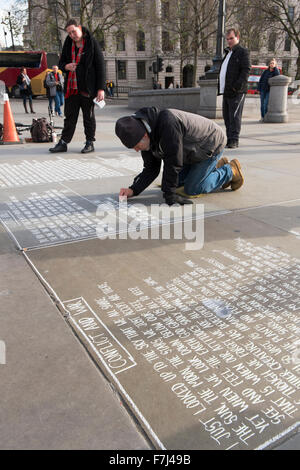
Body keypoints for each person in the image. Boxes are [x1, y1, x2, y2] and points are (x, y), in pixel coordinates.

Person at [115, 107, 244, 206]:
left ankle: (229, 170)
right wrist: (133, 190)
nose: (137, 150)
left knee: (192, 189)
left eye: (136, 146)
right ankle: (212, 167)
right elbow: (151, 168)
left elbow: (173, 162)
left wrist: (169, 196)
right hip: (190, 152)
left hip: (210, 145)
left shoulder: (167, 125)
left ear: (144, 136)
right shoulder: (144, 129)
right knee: (176, 184)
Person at [49, 19, 105, 154]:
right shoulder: (68, 44)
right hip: (72, 88)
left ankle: (90, 142)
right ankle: (63, 142)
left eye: (73, 31)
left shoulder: (91, 43)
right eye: (69, 33)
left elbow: (100, 65)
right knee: (69, 117)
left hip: (88, 87)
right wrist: (66, 66)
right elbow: (61, 62)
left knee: (89, 117)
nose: (72, 35)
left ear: (79, 28)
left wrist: (101, 88)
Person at [218, 28, 250, 149]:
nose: (229, 41)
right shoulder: (228, 53)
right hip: (226, 91)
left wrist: (237, 87)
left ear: (238, 37)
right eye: (227, 39)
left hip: (237, 91)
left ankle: (234, 140)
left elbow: (246, 70)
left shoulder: (243, 52)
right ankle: (229, 138)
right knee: (227, 116)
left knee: (235, 116)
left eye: (231, 38)